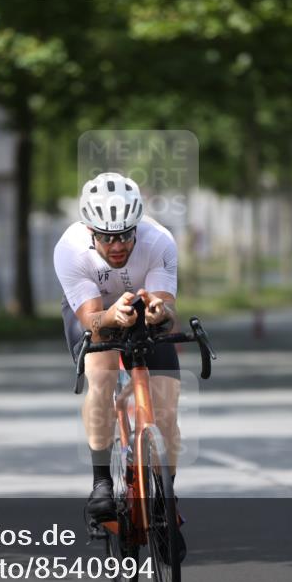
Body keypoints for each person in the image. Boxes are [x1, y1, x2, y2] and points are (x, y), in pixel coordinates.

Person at [53, 171, 185, 560]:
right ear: (89, 230)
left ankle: (164, 503)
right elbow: (91, 319)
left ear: (136, 227)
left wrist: (159, 312)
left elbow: (166, 310)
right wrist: (112, 316)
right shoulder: (70, 249)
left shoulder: (159, 240)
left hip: (141, 307)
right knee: (102, 373)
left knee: (167, 407)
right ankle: (101, 485)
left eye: (126, 235)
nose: (117, 245)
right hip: (95, 311)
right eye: (107, 237)